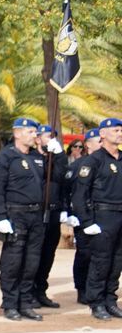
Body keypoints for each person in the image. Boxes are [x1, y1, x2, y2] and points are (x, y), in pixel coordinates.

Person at [0, 118, 49, 321]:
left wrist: (56, 156)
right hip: (16, 214)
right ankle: (9, 303)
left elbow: (54, 179)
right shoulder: (5, 156)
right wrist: (1, 217)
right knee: (13, 261)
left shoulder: (37, 156)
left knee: (32, 262)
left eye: (35, 132)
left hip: (35, 215)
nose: (35, 135)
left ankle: (25, 303)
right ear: (17, 133)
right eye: (31, 131)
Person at [70, 117, 122, 320]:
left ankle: (110, 300)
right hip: (102, 216)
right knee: (100, 262)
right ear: (102, 134)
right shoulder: (94, 161)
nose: (119, 133)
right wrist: (87, 222)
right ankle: (96, 302)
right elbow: (80, 194)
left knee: (117, 262)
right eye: (115, 130)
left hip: (120, 215)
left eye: (120, 130)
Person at [31, 124, 66, 309]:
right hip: (35, 213)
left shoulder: (56, 158)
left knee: (48, 255)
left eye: (54, 136)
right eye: (47, 136)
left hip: (53, 212)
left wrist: (58, 156)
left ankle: (40, 290)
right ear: (37, 138)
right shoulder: (33, 158)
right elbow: (43, 175)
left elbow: (61, 177)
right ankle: (28, 291)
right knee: (33, 254)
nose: (52, 139)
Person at [66, 129, 101, 310]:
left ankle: (97, 290)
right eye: (98, 141)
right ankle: (82, 288)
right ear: (89, 144)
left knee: (103, 255)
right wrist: (70, 213)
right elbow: (69, 190)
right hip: (84, 215)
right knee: (85, 254)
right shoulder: (79, 165)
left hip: (104, 215)